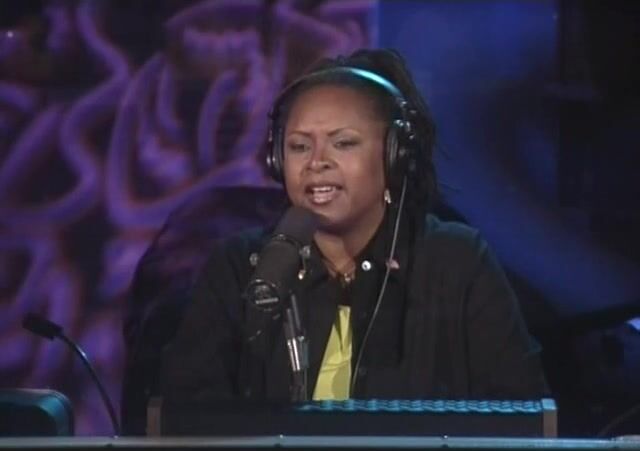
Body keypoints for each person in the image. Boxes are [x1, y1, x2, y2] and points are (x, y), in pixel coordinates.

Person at [158, 48, 548, 403]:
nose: (316, 162)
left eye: (343, 143)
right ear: (277, 161)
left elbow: (522, 416)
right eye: (299, 146)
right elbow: (185, 417)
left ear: (395, 156)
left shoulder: (457, 263)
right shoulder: (239, 267)